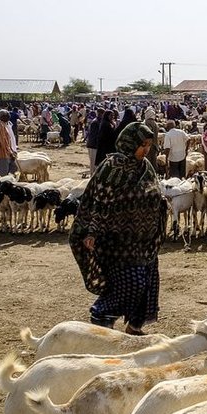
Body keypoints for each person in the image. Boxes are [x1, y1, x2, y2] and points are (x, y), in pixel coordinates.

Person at [69, 122, 167, 334]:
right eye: (142, 145)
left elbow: (153, 190)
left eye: (149, 145)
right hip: (117, 242)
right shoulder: (113, 167)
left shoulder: (146, 167)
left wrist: (159, 203)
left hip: (144, 241)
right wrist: (92, 231)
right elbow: (99, 200)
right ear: (130, 143)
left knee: (148, 284)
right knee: (131, 284)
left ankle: (134, 326)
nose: (146, 150)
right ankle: (102, 317)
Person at [0, 110, 18, 176]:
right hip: (2, 154)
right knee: (3, 175)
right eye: (7, 115)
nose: (9, 116)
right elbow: (3, 142)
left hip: (7, 153)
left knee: (14, 169)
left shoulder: (5, 125)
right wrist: (11, 153)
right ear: (2, 117)